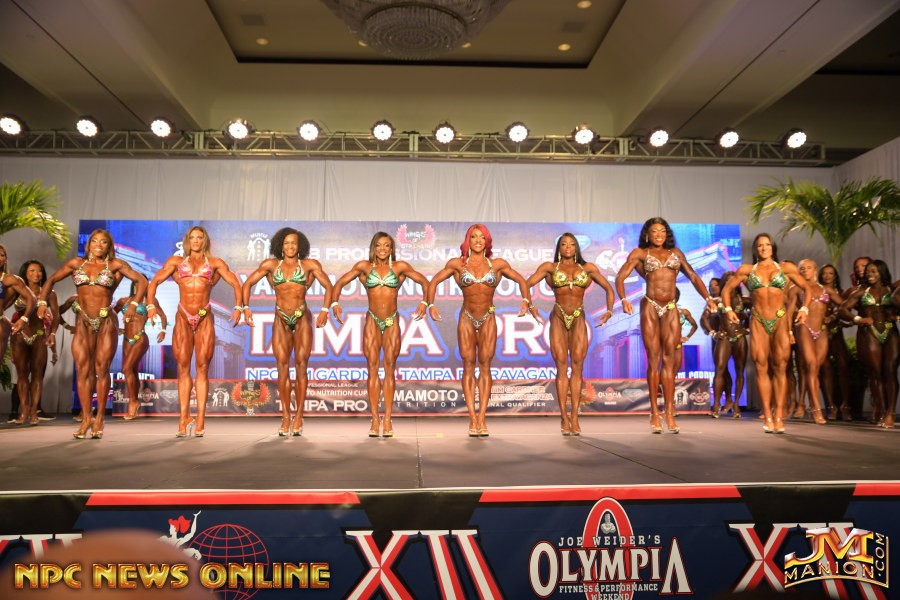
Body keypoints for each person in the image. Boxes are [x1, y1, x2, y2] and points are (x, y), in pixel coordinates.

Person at [426, 224, 539, 437]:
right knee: (468, 365)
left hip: (488, 318)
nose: (478, 240)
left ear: (487, 241)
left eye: (482, 237)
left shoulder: (497, 264)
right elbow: (433, 282)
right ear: (467, 240)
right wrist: (430, 304)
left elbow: (521, 281)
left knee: (485, 366)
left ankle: (482, 418)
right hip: (466, 318)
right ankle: (472, 417)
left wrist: (526, 301)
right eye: (474, 237)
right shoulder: (457, 264)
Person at [38, 229, 148, 439]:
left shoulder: (115, 265)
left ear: (109, 246)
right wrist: (42, 302)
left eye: (103, 242)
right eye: (95, 241)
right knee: (83, 371)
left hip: (106, 322)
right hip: (83, 322)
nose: (98, 245)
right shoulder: (76, 264)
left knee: (101, 370)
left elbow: (142, 281)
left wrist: (134, 304)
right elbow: (51, 280)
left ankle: (99, 418)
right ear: (88, 244)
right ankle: (86, 418)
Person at [615, 217, 717, 434]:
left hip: (670, 307)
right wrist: (623, 299)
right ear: (647, 234)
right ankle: (654, 412)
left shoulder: (676, 254)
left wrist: (708, 298)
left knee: (669, 362)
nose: (659, 235)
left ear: (667, 234)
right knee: (654, 359)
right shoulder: (640, 253)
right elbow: (621, 276)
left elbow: (693, 276)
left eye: (662, 231)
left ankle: (669, 412)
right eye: (654, 231)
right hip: (650, 306)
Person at [146, 226, 242, 438]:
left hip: (204, 317)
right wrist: (151, 305)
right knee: (182, 368)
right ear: (187, 241)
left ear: (205, 240)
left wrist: (239, 307)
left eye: (200, 237)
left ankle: (200, 419)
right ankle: (183, 418)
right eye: (192, 237)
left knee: (202, 368)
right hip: (183, 317)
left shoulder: (215, 263)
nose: (196, 241)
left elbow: (236, 283)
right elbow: (154, 282)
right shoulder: (176, 262)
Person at [332, 232, 430, 438]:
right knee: (372, 369)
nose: (383, 249)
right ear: (373, 248)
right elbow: (339, 283)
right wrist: (334, 304)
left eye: (386, 245)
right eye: (379, 245)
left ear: (391, 248)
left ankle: (388, 418)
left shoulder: (400, 267)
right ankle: (375, 418)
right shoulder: (364, 267)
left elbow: (424, 281)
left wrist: (425, 302)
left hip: (392, 321)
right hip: (372, 321)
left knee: (390, 370)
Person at [242, 227, 333, 437]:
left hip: (302, 319)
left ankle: (299, 416)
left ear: (300, 246)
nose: (290, 246)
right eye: (286, 243)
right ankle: (285, 416)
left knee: (301, 367)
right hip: (280, 319)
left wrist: (325, 310)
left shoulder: (310, 265)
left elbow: (329, 286)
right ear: (280, 246)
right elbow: (247, 284)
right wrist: (245, 307)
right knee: (282, 368)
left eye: (294, 243)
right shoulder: (270, 265)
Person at [526, 233, 614, 436]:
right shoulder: (550, 267)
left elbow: (609, 289)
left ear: (576, 248)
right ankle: (563, 417)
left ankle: (575, 416)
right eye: (564, 244)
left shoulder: (587, 268)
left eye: (572, 244)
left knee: (577, 368)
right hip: (558, 318)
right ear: (559, 247)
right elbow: (526, 284)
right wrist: (529, 305)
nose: (568, 247)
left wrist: (609, 311)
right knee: (561, 368)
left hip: (578, 319)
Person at [721, 233, 810, 434]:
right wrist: (728, 310)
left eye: (767, 245)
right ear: (756, 249)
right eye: (760, 245)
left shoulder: (786, 268)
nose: (764, 248)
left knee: (780, 367)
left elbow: (807, 287)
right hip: (758, 321)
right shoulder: (747, 270)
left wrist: (804, 309)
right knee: (761, 367)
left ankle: (779, 416)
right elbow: (726, 290)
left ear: (772, 247)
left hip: (780, 320)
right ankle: (768, 416)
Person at [839, 259, 898, 428]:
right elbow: (842, 309)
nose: (869, 274)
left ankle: (891, 413)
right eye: (868, 272)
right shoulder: (862, 291)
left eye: (873, 271)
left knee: (890, 371)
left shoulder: (892, 289)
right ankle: (882, 410)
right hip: (871, 332)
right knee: (876, 373)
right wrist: (858, 319)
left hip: (890, 332)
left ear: (881, 272)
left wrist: (897, 315)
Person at [790, 259, 840, 424]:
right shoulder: (796, 289)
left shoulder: (826, 289)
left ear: (815, 270)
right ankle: (817, 408)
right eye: (802, 268)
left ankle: (812, 405)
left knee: (815, 368)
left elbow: (844, 305)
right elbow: (788, 311)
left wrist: (833, 316)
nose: (805, 270)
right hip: (804, 328)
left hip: (822, 330)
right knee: (811, 366)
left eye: (809, 268)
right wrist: (789, 332)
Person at [8, 260, 57, 425]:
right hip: (19, 336)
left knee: (37, 375)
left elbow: (56, 316)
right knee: (22, 374)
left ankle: (34, 411)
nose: (36, 274)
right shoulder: (16, 290)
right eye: (32, 271)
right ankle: (24, 410)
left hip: (39, 336)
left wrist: (53, 333)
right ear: (25, 273)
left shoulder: (49, 293)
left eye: (39, 270)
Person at [114, 282, 167, 420]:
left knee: (126, 369)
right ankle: (135, 400)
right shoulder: (124, 301)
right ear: (133, 286)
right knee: (132, 371)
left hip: (140, 338)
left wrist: (163, 330)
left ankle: (133, 402)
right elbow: (112, 315)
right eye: (137, 283)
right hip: (126, 339)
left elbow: (162, 316)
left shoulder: (149, 301)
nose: (140, 286)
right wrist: (117, 328)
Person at [818, 264, 852, 420]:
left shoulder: (842, 293)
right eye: (824, 273)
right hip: (821, 333)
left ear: (835, 276)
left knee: (844, 367)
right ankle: (831, 406)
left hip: (836, 333)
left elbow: (845, 310)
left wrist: (834, 317)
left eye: (830, 273)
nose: (827, 276)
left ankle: (846, 406)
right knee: (826, 369)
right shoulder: (817, 291)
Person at [0, 244, 36, 383]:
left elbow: (32, 298)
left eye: (2, 255)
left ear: (5, 259)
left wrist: (24, 319)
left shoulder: (10, 280)